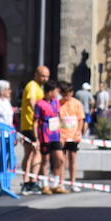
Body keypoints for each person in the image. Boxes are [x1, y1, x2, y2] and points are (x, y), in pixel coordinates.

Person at [19, 65, 49, 194]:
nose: (45, 79)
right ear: (36, 74)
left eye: (47, 76)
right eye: (43, 75)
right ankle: (29, 181)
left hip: (34, 124)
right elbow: (32, 102)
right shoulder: (32, 86)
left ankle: (30, 181)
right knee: (33, 153)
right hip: (31, 125)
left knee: (32, 153)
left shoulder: (38, 88)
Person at [33, 83, 65, 195]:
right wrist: (36, 138)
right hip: (44, 135)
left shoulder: (56, 102)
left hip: (55, 134)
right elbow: (35, 122)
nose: (57, 94)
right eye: (56, 91)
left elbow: (59, 117)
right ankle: (45, 185)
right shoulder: (39, 104)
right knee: (45, 160)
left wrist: (62, 134)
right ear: (50, 91)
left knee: (60, 159)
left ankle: (55, 184)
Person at [58, 80, 85, 189]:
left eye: (69, 93)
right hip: (62, 135)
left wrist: (79, 132)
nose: (67, 96)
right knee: (62, 160)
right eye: (64, 94)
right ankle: (62, 182)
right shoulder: (58, 103)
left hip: (73, 136)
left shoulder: (77, 103)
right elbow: (56, 119)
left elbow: (80, 119)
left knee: (72, 159)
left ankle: (73, 182)